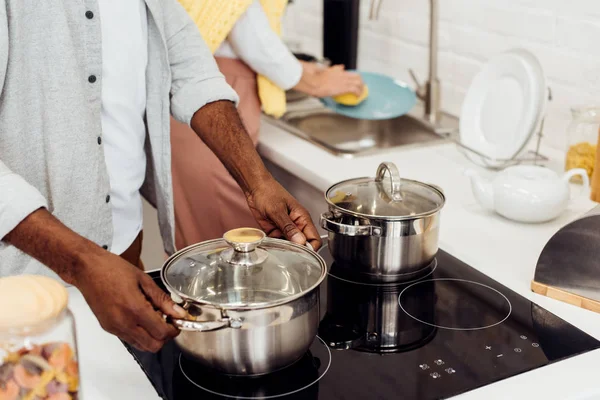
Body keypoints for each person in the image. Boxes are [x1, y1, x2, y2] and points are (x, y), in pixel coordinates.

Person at [0, 0, 321, 353]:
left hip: (124, 262)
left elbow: (192, 72)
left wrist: (258, 182)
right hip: (21, 293)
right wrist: (82, 264)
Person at [170, 0, 365, 248]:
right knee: (229, 240)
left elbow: (235, 37)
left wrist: (306, 69)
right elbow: (249, 34)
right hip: (214, 98)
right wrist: (315, 83)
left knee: (204, 236)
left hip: (198, 96)